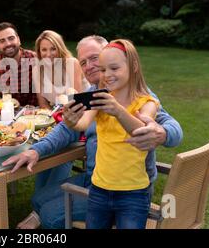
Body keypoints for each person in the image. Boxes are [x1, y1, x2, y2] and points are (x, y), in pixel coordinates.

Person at [2, 35, 183, 229]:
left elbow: (173, 129)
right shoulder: (94, 95)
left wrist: (162, 133)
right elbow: (69, 128)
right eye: (84, 62)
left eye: (94, 58)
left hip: (131, 187)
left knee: (48, 215)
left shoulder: (139, 95)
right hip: (96, 179)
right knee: (38, 199)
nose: (89, 66)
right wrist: (36, 150)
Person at [66, 39, 158, 229]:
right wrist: (70, 120)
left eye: (114, 68)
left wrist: (118, 111)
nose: (107, 75)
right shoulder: (100, 99)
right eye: (103, 69)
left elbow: (141, 131)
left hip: (133, 193)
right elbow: (82, 123)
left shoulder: (146, 102)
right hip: (99, 189)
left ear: (133, 67)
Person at [33, 30, 88, 109]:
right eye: (44, 50)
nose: (48, 54)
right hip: (59, 114)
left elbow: (77, 102)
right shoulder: (37, 70)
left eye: (53, 49)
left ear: (60, 48)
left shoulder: (72, 64)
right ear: (39, 51)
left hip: (83, 111)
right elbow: (43, 104)